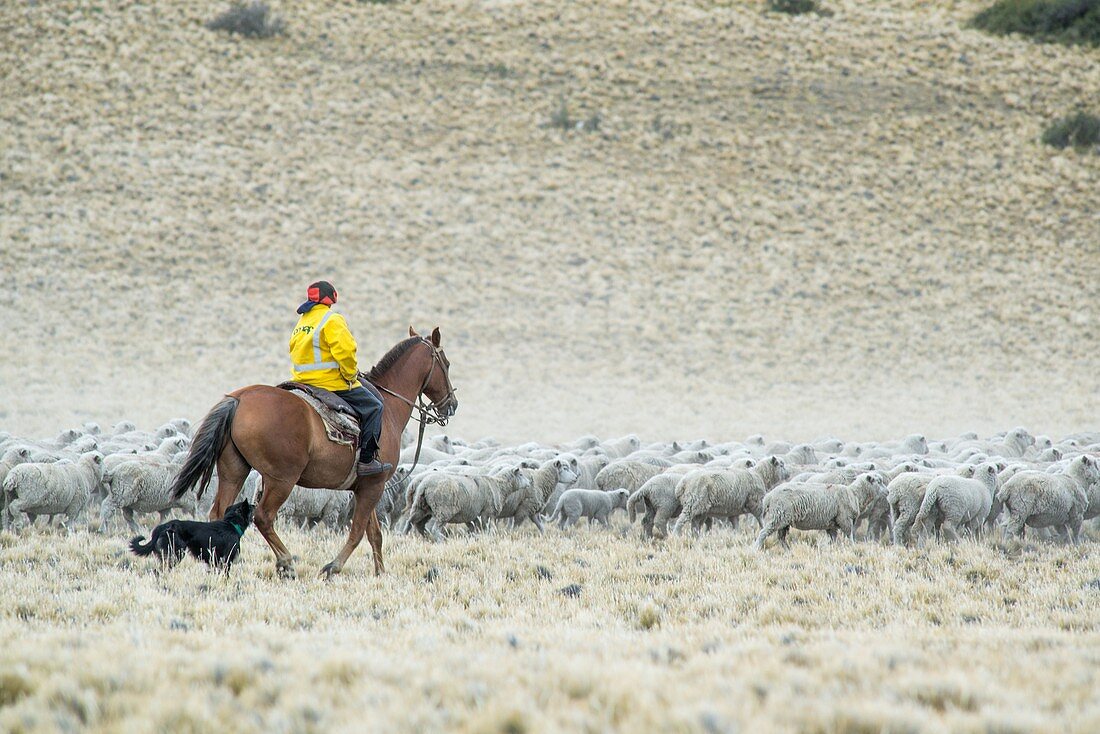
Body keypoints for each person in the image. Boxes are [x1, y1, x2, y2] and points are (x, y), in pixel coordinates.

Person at [289, 281, 391, 477]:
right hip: (329, 383)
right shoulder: (331, 319)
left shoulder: (303, 322)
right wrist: (351, 375)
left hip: (302, 381)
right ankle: (367, 460)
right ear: (331, 299)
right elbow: (345, 352)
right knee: (375, 406)